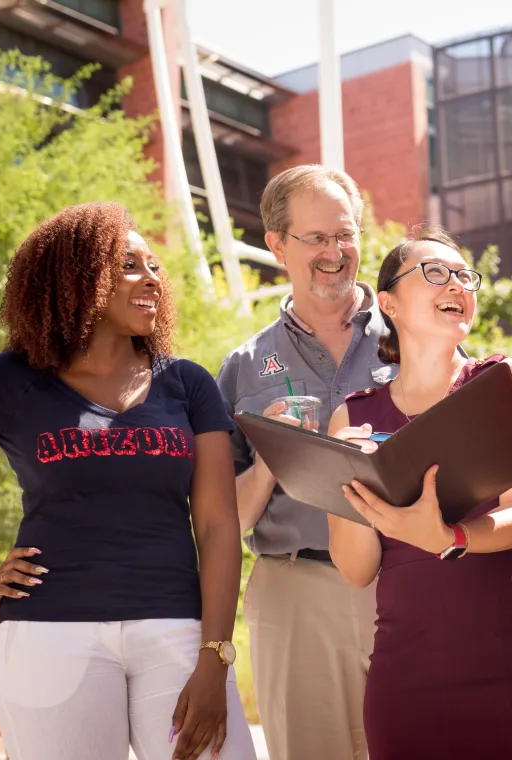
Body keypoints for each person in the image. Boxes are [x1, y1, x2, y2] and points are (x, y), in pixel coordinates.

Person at [0, 203, 254, 760]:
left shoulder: (188, 384)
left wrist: (216, 655)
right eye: (129, 264)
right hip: (50, 637)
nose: (152, 277)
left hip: (175, 631)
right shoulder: (8, 381)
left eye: (154, 265)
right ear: (75, 277)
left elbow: (219, 527)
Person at [324, 226, 512, 759]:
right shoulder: (351, 417)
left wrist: (450, 536)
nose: (457, 285)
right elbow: (355, 570)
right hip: (409, 676)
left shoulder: (505, 379)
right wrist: (350, 481)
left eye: (465, 275)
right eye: (435, 273)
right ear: (389, 302)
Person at [215, 165, 390, 760]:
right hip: (295, 591)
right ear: (275, 244)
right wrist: (270, 461)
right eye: (315, 238)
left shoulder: (419, 335)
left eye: (345, 235)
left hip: (411, 581)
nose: (334, 253)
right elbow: (222, 521)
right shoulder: (241, 368)